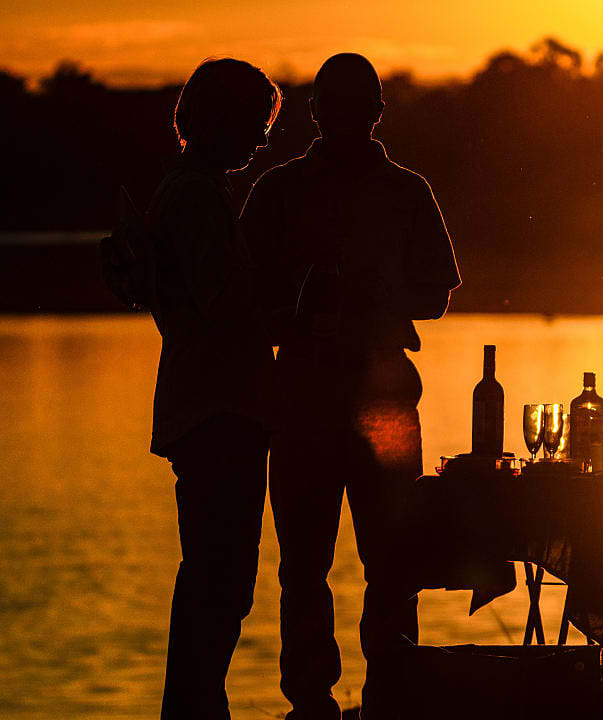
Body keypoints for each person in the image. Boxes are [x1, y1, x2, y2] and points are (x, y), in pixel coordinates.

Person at [241, 53, 460, 719]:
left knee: (386, 561)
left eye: (354, 105)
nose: (346, 118)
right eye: (338, 106)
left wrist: (372, 295)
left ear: (374, 113)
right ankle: (323, 701)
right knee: (312, 564)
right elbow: (244, 298)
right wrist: (305, 305)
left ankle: (385, 693)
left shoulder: (400, 190)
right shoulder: (283, 191)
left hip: (372, 396)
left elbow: (437, 293)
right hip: (313, 396)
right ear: (318, 113)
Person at [148, 58, 282, 719]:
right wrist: (295, 303)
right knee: (220, 582)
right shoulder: (197, 198)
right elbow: (223, 305)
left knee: (215, 580)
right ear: (218, 120)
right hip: (218, 412)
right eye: (255, 123)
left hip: (207, 407)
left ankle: (197, 705)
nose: (262, 140)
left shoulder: (190, 190)